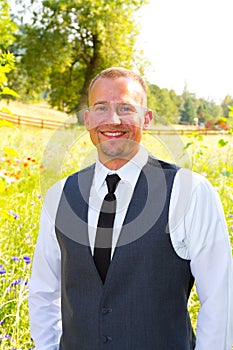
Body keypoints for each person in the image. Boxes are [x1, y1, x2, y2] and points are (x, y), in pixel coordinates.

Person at [29, 67, 233, 350]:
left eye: (126, 108)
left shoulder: (190, 191)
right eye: (101, 108)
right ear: (87, 120)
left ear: (146, 119)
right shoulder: (59, 196)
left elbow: (220, 299)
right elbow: (43, 292)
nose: (113, 119)